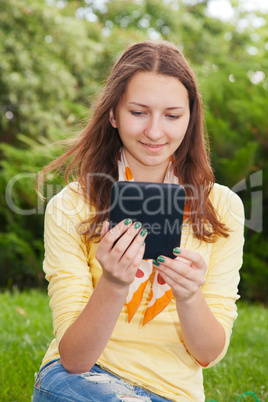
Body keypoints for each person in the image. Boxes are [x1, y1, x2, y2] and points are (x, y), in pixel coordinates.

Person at [32, 40, 244, 402]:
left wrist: (190, 295)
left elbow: (208, 354)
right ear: (113, 114)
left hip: (170, 393)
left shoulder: (221, 207)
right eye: (139, 112)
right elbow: (75, 358)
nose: (155, 131)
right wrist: (113, 283)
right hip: (83, 382)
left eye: (173, 115)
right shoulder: (70, 205)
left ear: (191, 118)